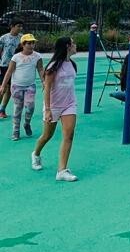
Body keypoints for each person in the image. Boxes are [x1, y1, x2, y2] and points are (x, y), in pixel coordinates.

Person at [31, 36, 79, 181]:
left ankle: (62, 170)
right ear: (67, 46)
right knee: (47, 136)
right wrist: (47, 109)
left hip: (69, 104)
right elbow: (47, 89)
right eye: (73, 43)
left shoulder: (72, 64)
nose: (75, 45)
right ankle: (36, 154)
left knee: (69, 135)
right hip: (53, 106)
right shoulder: (53, 66)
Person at [0, 33, 43, 141]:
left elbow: (40, 69)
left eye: (33, 43)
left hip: (30, 86)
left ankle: (27, 123)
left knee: (30, 106)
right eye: (29, 43)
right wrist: (3, 85)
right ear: (23, 44)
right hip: (16, 87)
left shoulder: (37, 56)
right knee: (17, 109)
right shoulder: (16, 57)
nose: (31, 45)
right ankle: (16, 131)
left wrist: (44, 82)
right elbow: (9, 72)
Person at [0, 16, 23, 120]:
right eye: (18, 26)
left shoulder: (22, 38)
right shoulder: (3, 38)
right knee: (3, 87)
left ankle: (2, 109)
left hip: (17, 66)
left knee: (10, 88)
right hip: (5, 65)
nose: (20, 28)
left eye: (21, 26)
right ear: (12, 26)